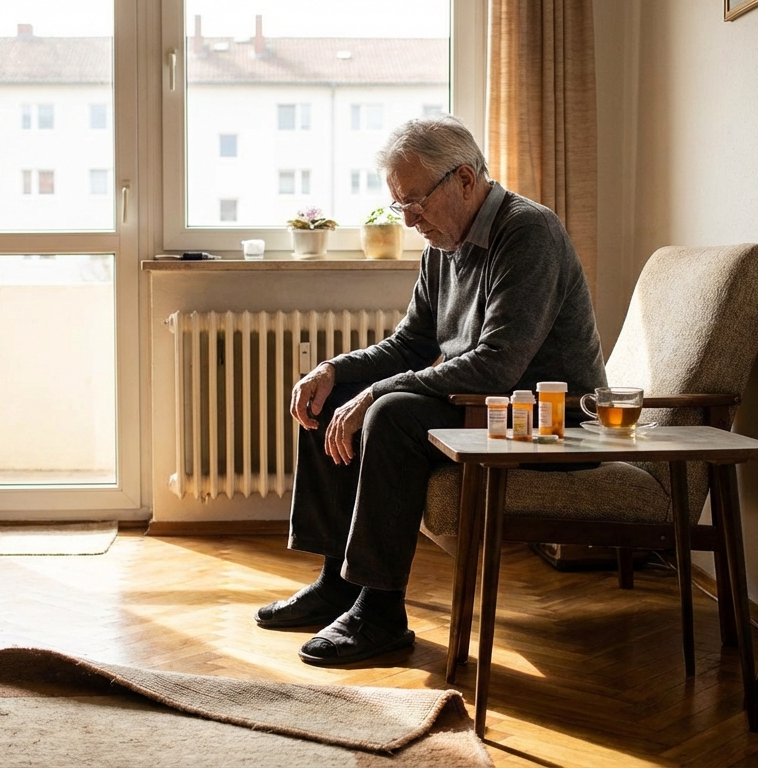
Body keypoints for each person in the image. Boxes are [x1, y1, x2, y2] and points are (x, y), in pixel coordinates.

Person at [255, 115, 607, 666]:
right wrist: (333, 370)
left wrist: (375, 395)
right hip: (486, 408)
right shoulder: (443, 243)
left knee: (390, 412)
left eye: (415, 202)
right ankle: (337, 583)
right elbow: (410, 345)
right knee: (332, 398)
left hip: (545, 421)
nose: (409, 220)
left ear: (464, 179)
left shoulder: (529, 232)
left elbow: (496, 365)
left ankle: (381, 613)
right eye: (399, 205)